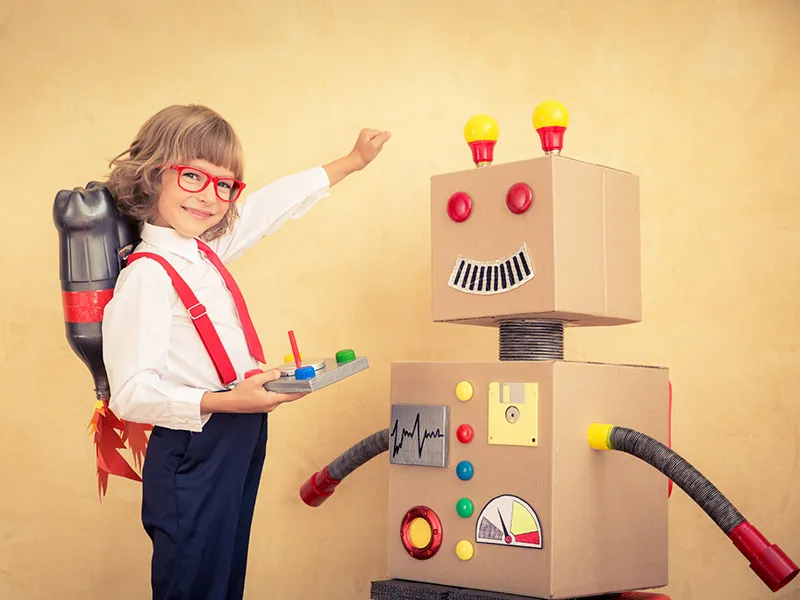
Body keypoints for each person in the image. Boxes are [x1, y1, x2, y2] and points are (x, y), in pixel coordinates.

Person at [100, 104, 390, 600]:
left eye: (224, 185)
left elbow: (268, 207)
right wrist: (229, 400)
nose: (210, 197)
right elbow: (130, 395)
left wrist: (349, 163)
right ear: (152, 174)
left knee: (224, 580)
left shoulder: (202, 251)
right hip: (194, 447)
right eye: (193, 176)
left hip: (239, 434)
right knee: (194, 585)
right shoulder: (147, 274)